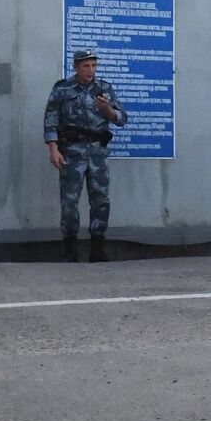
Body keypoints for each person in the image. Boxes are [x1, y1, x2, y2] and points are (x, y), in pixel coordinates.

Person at [44, 48, 128, 262]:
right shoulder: (62, 89)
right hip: (71, 152)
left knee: (101, 200)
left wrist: (107, 110)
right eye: (85, 66)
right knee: (69, 201)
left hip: (97, 152)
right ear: (76, 67)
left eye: (93, 65)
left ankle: (97, 248)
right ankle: (70, 248)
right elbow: (51, 120)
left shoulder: (104, 88)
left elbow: (121, 118)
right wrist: (53, 149)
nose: (91, 70)